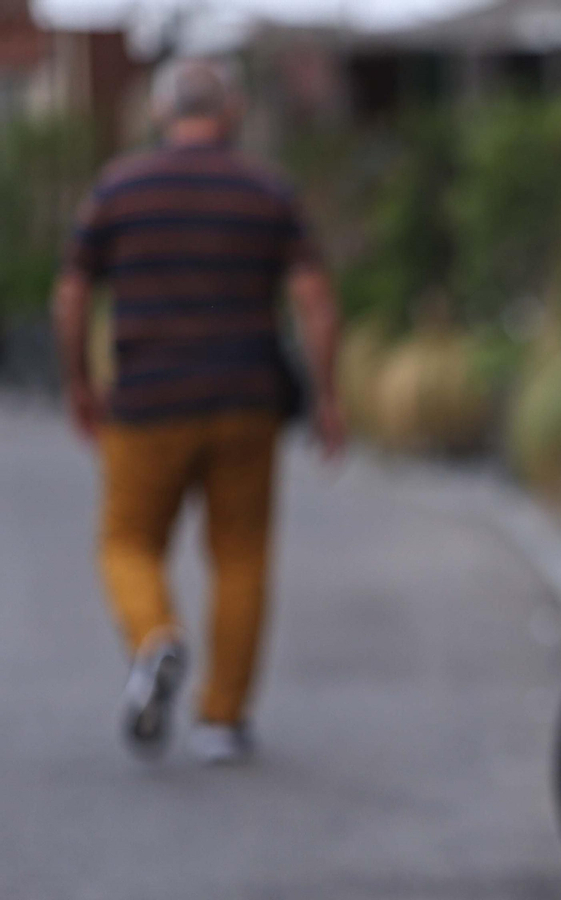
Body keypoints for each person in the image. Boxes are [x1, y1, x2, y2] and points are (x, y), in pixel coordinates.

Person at [51, 57, 345, 765]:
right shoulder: (267, 191)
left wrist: (79, 381)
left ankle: (155, 640)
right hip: (247, 401)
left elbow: (70, 294)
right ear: (233, 112)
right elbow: (314, 300)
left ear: (161, 113)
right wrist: (328, 397)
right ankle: (222, 718)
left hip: (147, 401)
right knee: (241, 556)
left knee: (127, 543)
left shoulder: (119, 187)